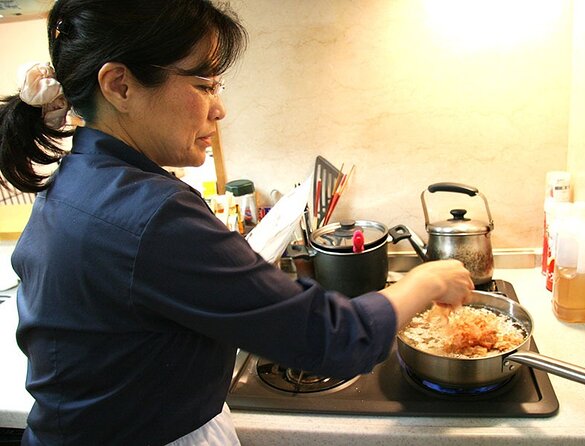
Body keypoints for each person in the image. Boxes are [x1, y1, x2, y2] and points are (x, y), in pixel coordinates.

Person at [0, 1, 474, 445]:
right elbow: (331, 340)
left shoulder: (77, 179)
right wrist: (426, 280)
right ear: (120, 86)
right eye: (204, 85)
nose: (219, 108)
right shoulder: (152, 213)